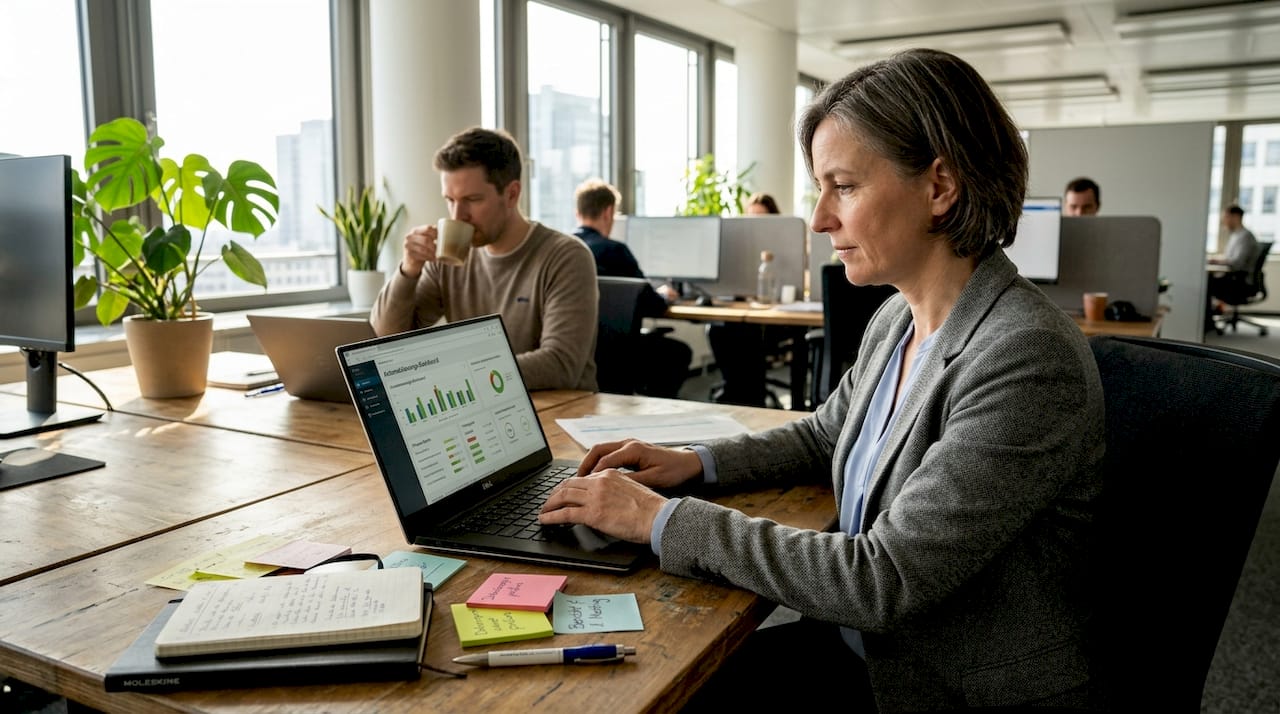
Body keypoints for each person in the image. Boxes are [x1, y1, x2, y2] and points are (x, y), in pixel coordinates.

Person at [540, 48, 1106, 711]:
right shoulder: (900, 315)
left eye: (844, 185)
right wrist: (694, 463)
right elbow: (827, 434)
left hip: (942, 684)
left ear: (940, 187)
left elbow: (882, 578)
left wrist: (660, 518)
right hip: (863, 649)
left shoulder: (1024, 357)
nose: (818, 219)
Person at [369, 127, 598, 391]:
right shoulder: (449, 257)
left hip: (561, 414)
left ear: (511, 194)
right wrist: (409, 270)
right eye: (450, 200)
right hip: (483, 407)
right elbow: (384, 340)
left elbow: (560, 366)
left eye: (472, 199)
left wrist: (455, 374)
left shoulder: (565, 257)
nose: (458, 215)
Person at [572, 178, 692, 398]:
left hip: (577, 352)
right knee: (678, 353)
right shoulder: (615, 251)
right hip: (618, 354)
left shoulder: (564, 251)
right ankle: (656, 413)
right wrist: (664, 295)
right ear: (608, 212)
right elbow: (652, 305)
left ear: (577, 212)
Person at [707, 190, 787, 407]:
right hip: (743, 310)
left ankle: (749, 396)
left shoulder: (785, 244)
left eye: (761, 220)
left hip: (774, 318)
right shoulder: (741, 247)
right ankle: (734, 390)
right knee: (718, 327)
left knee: (745, 332)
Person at [1206, 203, 1262, 329]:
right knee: (1208, 280)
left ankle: (1208, 322)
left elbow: (1237, 263)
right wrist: (1216, 260)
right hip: (1235, 278)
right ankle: (1209, 318)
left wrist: (1216, 262)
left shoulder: (1245, 237)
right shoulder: (1236, 235)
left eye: (1226, 217)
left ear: (1235, 217)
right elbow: (1229, 258)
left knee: (1206, 283)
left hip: (1241, 283)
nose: (1223, 221)